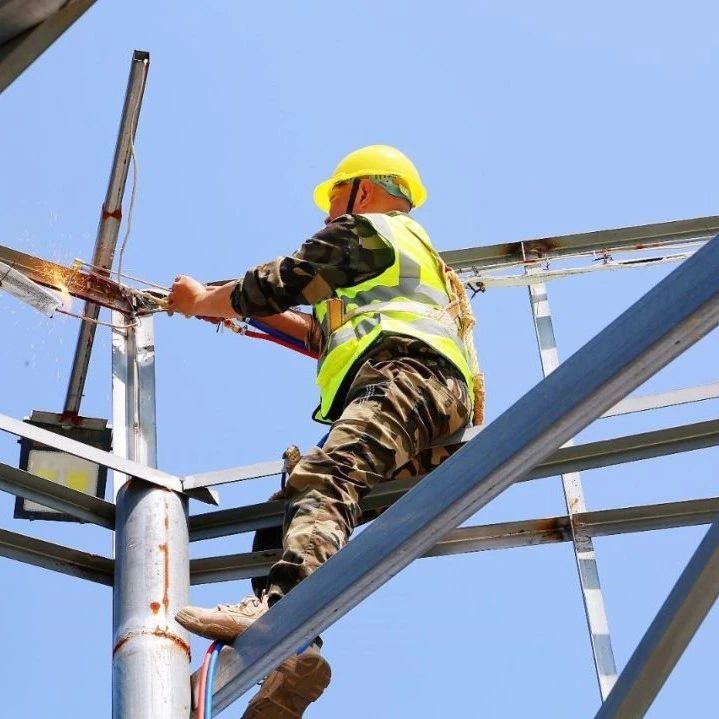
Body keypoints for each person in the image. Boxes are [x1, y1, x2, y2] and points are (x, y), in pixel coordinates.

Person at [168, 145, 482, 718]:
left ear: (364, 189)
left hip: (407, 378)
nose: (327, 212)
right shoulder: (389, 265)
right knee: (285, 511)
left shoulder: (373, 229)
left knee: (327, 475)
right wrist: (231, 310)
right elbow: (317, 329)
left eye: (335, 195)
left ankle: (283, 615)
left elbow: (286, 278)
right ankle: (294, 658)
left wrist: (204, 299)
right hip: (431, 418)